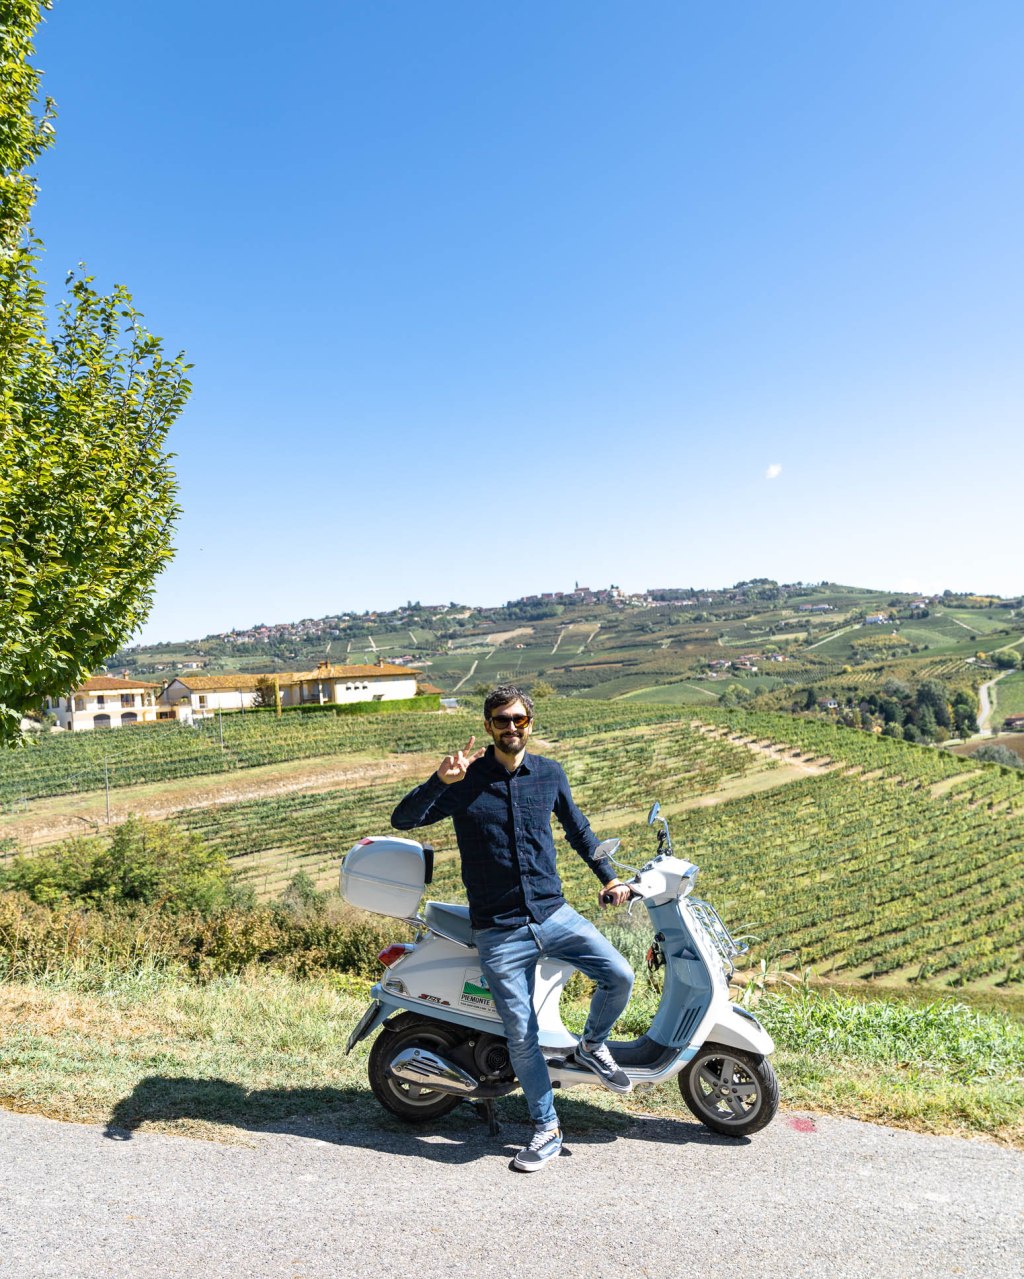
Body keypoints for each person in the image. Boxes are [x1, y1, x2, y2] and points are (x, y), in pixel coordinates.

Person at [391, 684, 634, 1172]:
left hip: (553, 914)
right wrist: (439, 780)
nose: (511, 727)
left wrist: (610, 878)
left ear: (530, 723)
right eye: (501, 720)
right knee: (522, 1035)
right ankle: (547, 1128)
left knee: (619, 975)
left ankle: (591, 1045)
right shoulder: (465, 781)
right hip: (499, 930)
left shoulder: (549, 774)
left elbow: (579, 830)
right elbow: (404, 820)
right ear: (488, 726)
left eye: (518, 719)